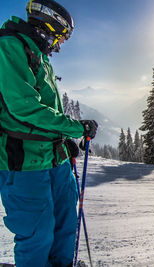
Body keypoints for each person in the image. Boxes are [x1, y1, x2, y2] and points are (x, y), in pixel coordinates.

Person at [0, 0, 98, 266]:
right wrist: (75, 128)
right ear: (51, 25)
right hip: (24, 163)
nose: (62, 44)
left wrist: (64, 141)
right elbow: (24, 108)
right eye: (63, 36)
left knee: (66, 222)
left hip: (53, 159)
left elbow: (46, 111)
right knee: (37, 234)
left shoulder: (39, 56)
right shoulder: (9, 47)